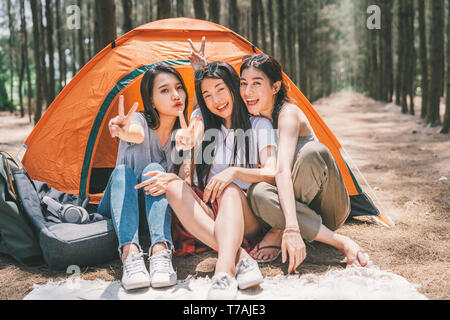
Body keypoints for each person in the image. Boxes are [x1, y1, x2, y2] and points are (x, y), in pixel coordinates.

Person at [141, 61, 278, 299]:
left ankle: (224, 272)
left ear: (234, 87)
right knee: (171, 184)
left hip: (245, 211)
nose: (215, 100)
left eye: (220, 89)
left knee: (229, 189)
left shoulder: (259, 125)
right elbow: (193, 129)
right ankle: (241, 257)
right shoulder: (202, 120)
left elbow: (272, 171)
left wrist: (234, 172)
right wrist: (187, 141)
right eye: (207, 95)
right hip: (209, 209)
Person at [239, 54, 369, 272]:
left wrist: (289, 227)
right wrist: (201, 71)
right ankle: (326, 237)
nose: (247, 92)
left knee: (312, 153)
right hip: (290, 207)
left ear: (275, 86)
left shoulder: (288, 114)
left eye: (256, 83)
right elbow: (214, 105)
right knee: (258, 192)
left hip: (327, 205)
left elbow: (282, 172)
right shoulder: (252, 119)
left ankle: (280, 230)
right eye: (243, 84)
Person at [98, 64, 189, 290]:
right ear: (151, 99)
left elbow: (185, 182)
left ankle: (160, 252)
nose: (176, 95)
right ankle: (130, 254)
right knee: (123, 172)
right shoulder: (139, 120)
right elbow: (135, 134)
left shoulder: (184, 133)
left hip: (154, 211)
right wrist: (122, 131)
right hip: (120, 204)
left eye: (179, 88)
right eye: (165, 90)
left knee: (155, 171)